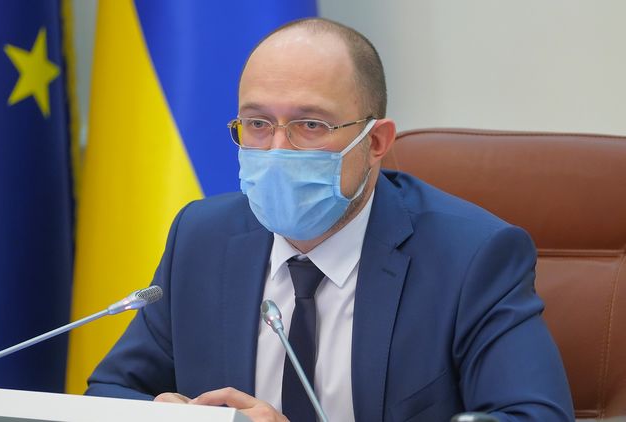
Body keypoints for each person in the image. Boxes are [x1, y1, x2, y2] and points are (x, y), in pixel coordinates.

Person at [85, 18, 574, 422]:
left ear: (376, 142)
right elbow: (109, 391)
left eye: (310, 125)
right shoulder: (202, 237)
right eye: (257, 123)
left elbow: (534, 416)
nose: (277, 148)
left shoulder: (471, 256)